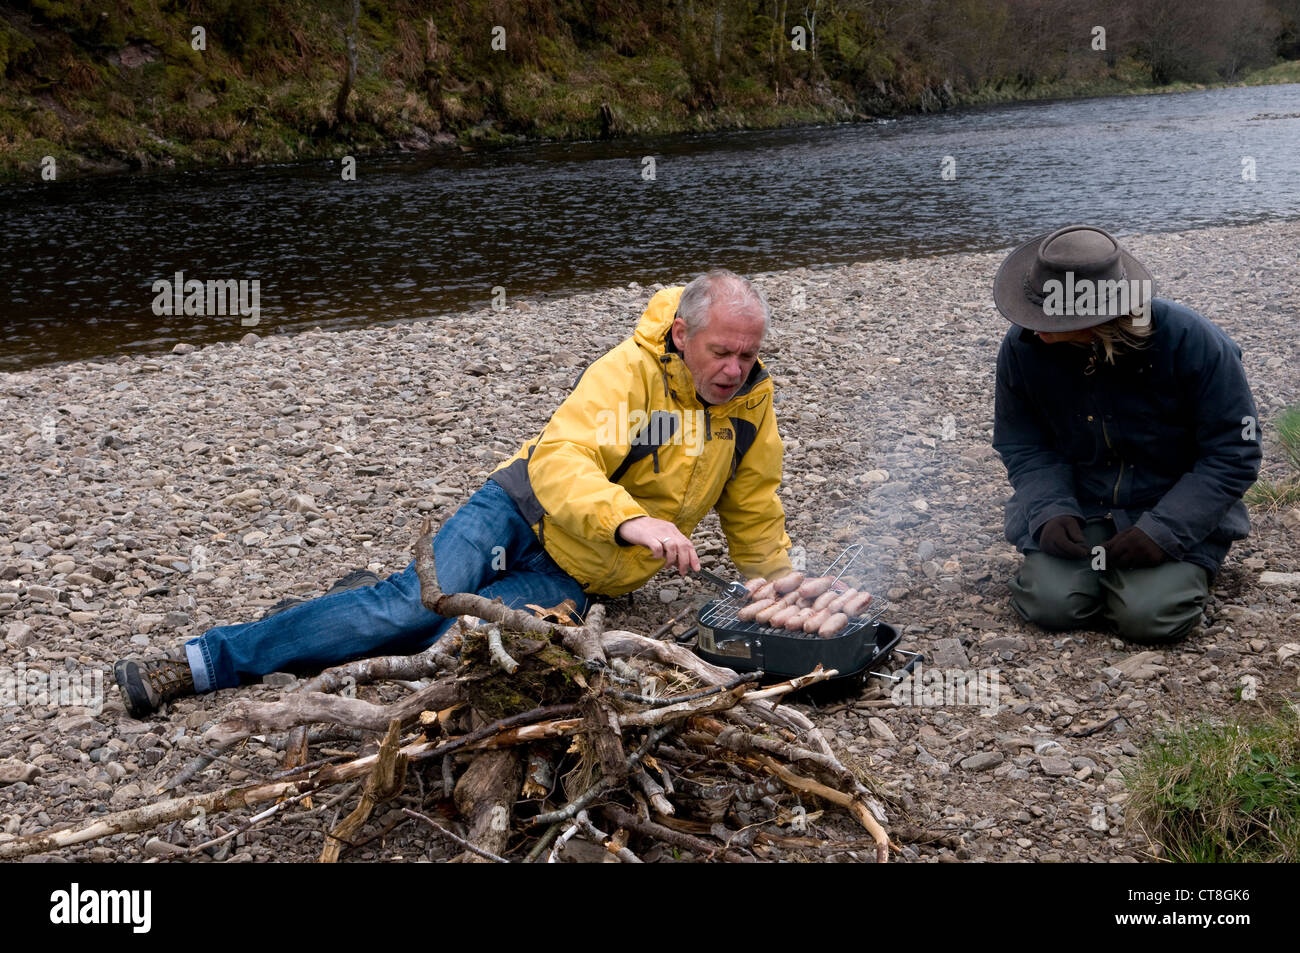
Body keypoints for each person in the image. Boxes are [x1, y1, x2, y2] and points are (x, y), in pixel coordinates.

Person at [114, 269, 794, 717]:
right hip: (518, 513)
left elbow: (755, 506)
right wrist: (632, 522)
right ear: (682, 334)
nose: (735, 369)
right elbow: (561, 459)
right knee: (407, 606)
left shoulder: (748, 405)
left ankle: (327, 616)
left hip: (576, 572)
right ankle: (202, 661)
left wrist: (783, 591)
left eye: (747, 354)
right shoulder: (629, 375)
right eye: (720, 352)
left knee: (447, 644)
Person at [991, 224, 1261, 644]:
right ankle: (1101, 574)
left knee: (1148, 620)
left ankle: (1157, 575)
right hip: (1082, 507)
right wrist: (1048, 510)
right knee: (1051, 605)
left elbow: (1234, 453)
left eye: (1046, 317)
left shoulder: (1193, 341)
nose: (1030, 325)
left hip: (1171, 505)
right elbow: (1023, 444)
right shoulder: (1023, 347)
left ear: (1100, 317)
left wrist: (1166, 531)